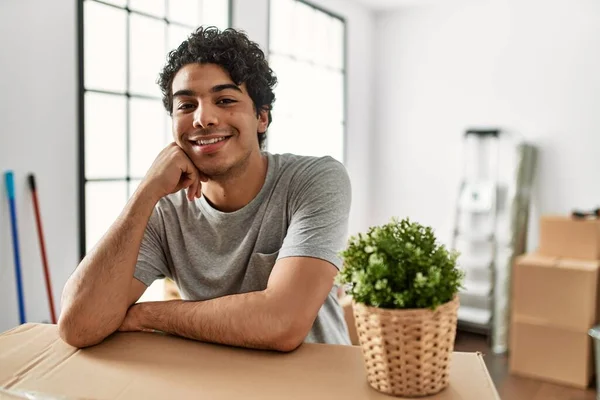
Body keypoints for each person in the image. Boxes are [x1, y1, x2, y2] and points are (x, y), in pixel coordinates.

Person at [58, 26, 352, 352]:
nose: (203, 118)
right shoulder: (165, 210)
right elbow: (78, 326)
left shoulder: (314, 179)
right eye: (185, 105)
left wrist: (147, 315)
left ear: (262, 118)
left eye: (224, 100)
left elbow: (282, 323)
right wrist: (145, 192)